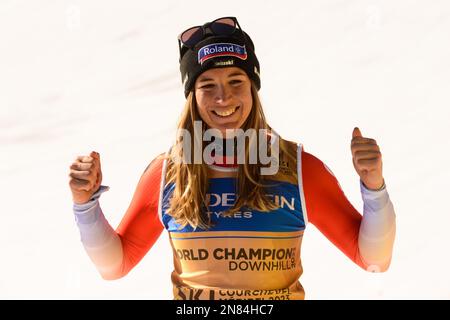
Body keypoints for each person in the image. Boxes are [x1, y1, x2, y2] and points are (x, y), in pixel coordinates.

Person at [69, 17, 396, 300]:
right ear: (192, 97)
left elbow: (373, 259)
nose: (223, 97)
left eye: (236, 81)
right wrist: (85, 204)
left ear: (253, 89)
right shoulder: (168, 173)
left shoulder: (297, 170)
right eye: (207, 85)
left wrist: (373, 186)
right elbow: (115, 265)